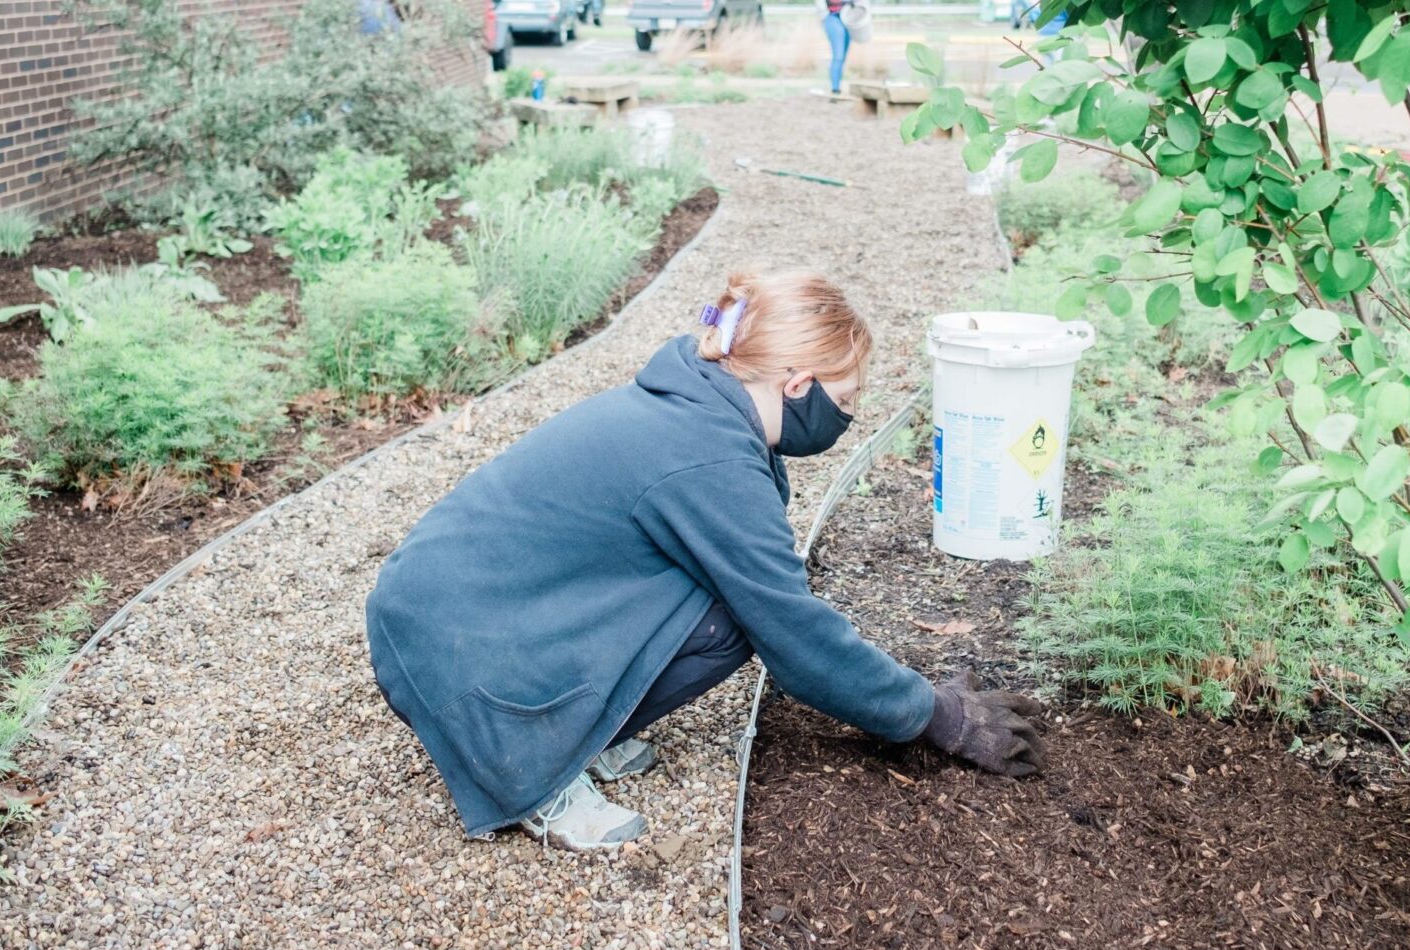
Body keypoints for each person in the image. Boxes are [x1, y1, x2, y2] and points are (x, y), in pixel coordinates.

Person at [366, 270, 1048, 850]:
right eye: (845, 402)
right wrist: (936, 715)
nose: (847, 420)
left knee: (719, 603)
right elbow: (796, 634)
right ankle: (533, 771)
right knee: (735, 619)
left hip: (462, 606)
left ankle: (578, 729)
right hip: (451, 642)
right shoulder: (708, 456)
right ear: (799, 383)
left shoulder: (698, 398)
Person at [817, 0, 852, 97]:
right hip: (832, 16)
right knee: (838, 56)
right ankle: (835, 89)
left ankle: (837, 86)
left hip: (849, 17)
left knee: (843, 56)